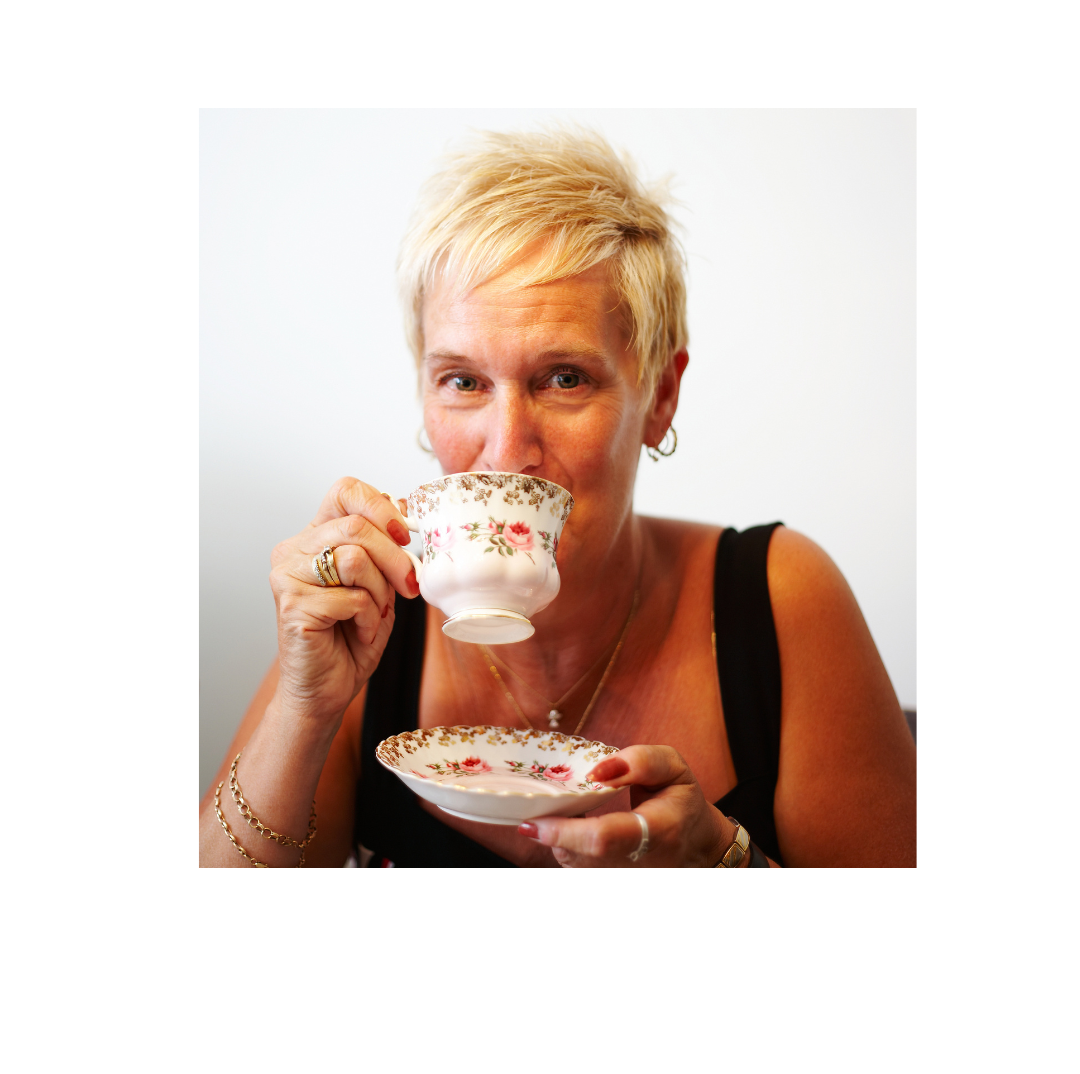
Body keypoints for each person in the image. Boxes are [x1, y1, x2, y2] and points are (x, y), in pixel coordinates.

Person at [198, 126, 916, 868]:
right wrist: (304, 706)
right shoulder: (371, 614)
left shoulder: (777, 599)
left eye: (564, 378)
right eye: (464, 382)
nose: (508, 448)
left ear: (661, 395)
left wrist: (727, 868)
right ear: (424, 396)